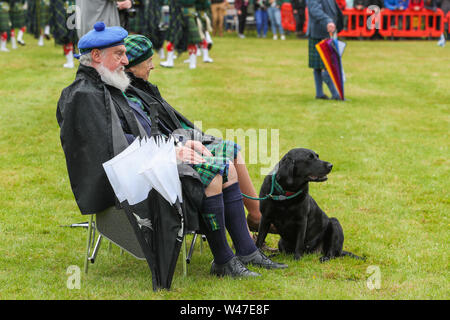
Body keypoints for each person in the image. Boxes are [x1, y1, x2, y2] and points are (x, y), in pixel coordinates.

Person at [57, 24, 286, 277]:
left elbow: (141, 132)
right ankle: (223, 260)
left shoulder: (106, 84)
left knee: (227, 167)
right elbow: (112, 152)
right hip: (124, 182)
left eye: (125, 54)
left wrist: (179, 143)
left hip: (146, 163)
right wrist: (169, 152)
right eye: (119, 54)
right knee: (213, 174)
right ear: (97, 56)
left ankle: (246, 251)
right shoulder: (84, 96)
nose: (125, 60)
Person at [306, 0, 343, 100]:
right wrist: (328, 21)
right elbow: (314, 10)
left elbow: (334, 9)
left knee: (320, 66)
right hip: (319, 32)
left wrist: (339, 25)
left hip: (329, 32)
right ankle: (335, 94)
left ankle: (319, 94)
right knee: (326, 65)